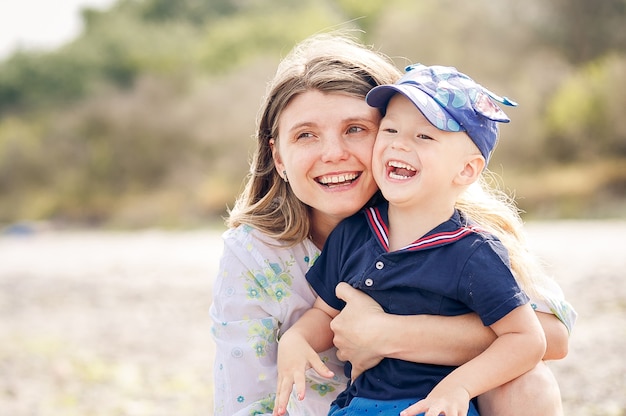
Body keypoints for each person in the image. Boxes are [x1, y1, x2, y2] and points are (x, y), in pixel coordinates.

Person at [210, 33, 577, 416]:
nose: (334, 154)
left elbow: (549, 335)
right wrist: (298, 340)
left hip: (436, 402)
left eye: (356, 129)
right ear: (279, 156)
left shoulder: (458, 230)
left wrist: (389, 335)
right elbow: (242, 399)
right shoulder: (254, 253)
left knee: (527, 383)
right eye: (305, 135)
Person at [273, 63, 551, 416]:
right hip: (357, 406)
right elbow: (325, 313)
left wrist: (461, 386)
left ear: (466, 169)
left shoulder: (473, 252)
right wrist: (296, 340)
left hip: (431, 406)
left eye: (424, 136)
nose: (399, 144)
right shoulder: (354, 233)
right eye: (390, 129)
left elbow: (527, 339)